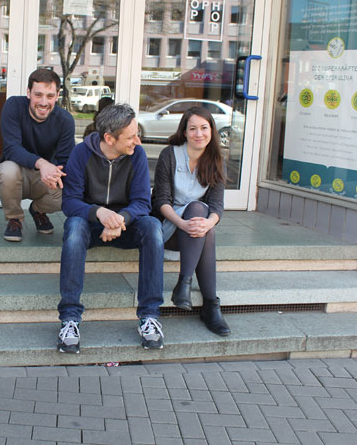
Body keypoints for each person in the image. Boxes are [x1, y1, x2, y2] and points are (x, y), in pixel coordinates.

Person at [57, 103, 165, 353]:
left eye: (137, 134)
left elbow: (142, 202)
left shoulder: (136, 154)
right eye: (131, 137)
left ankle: (149, 316)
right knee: (74, 227)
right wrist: (100, 213)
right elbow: (70, 202)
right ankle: (70, 319)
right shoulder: (81, 153)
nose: (137, 141)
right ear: (109, 138)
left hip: (125, 226)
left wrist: (120, 220)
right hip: (91, 225)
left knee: (153, 226)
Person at [152, 106, 230, 336]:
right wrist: (183, 224)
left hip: (195, 233)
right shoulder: (170, 155)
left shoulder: (216, 159)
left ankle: (187, 288)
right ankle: (209, 305)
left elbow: (216, 206)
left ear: (211, 130)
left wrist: (208, 223)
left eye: (204, 128)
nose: (199, 134)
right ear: (184, 132)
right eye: (193, 128)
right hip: (169, 229)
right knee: (198, 213)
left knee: (204, 220)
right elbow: (161, 201)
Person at [0, 68, 75, 241]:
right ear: (28, 93)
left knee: (70, 191)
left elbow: (66, 160)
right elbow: (11, 148)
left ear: (57, 95)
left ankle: (38, 210)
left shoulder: (65, 120)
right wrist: (42, 163)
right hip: (18, 172)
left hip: (44, 178)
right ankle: (15, 219)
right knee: (6, 171)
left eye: (50, 96)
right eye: (38, 95)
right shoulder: (14, 106)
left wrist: (56, 174)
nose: (44, 102)